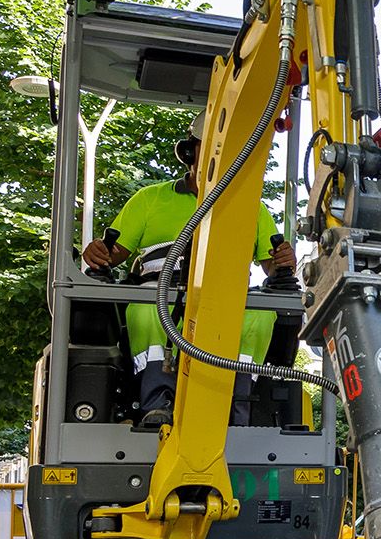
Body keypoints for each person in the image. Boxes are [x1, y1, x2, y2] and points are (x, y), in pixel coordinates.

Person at [82, 119, 296, 428]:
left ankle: (236, 403)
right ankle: (158, 402)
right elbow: (113, 254)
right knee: (144, 309)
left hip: (227, 295)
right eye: (210, 150)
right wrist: (98, 252)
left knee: (261, 315)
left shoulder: (252, 208)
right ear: (189, 153)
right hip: (161, 290)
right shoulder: (149, 200)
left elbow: (273, 265)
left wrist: (283, 259)